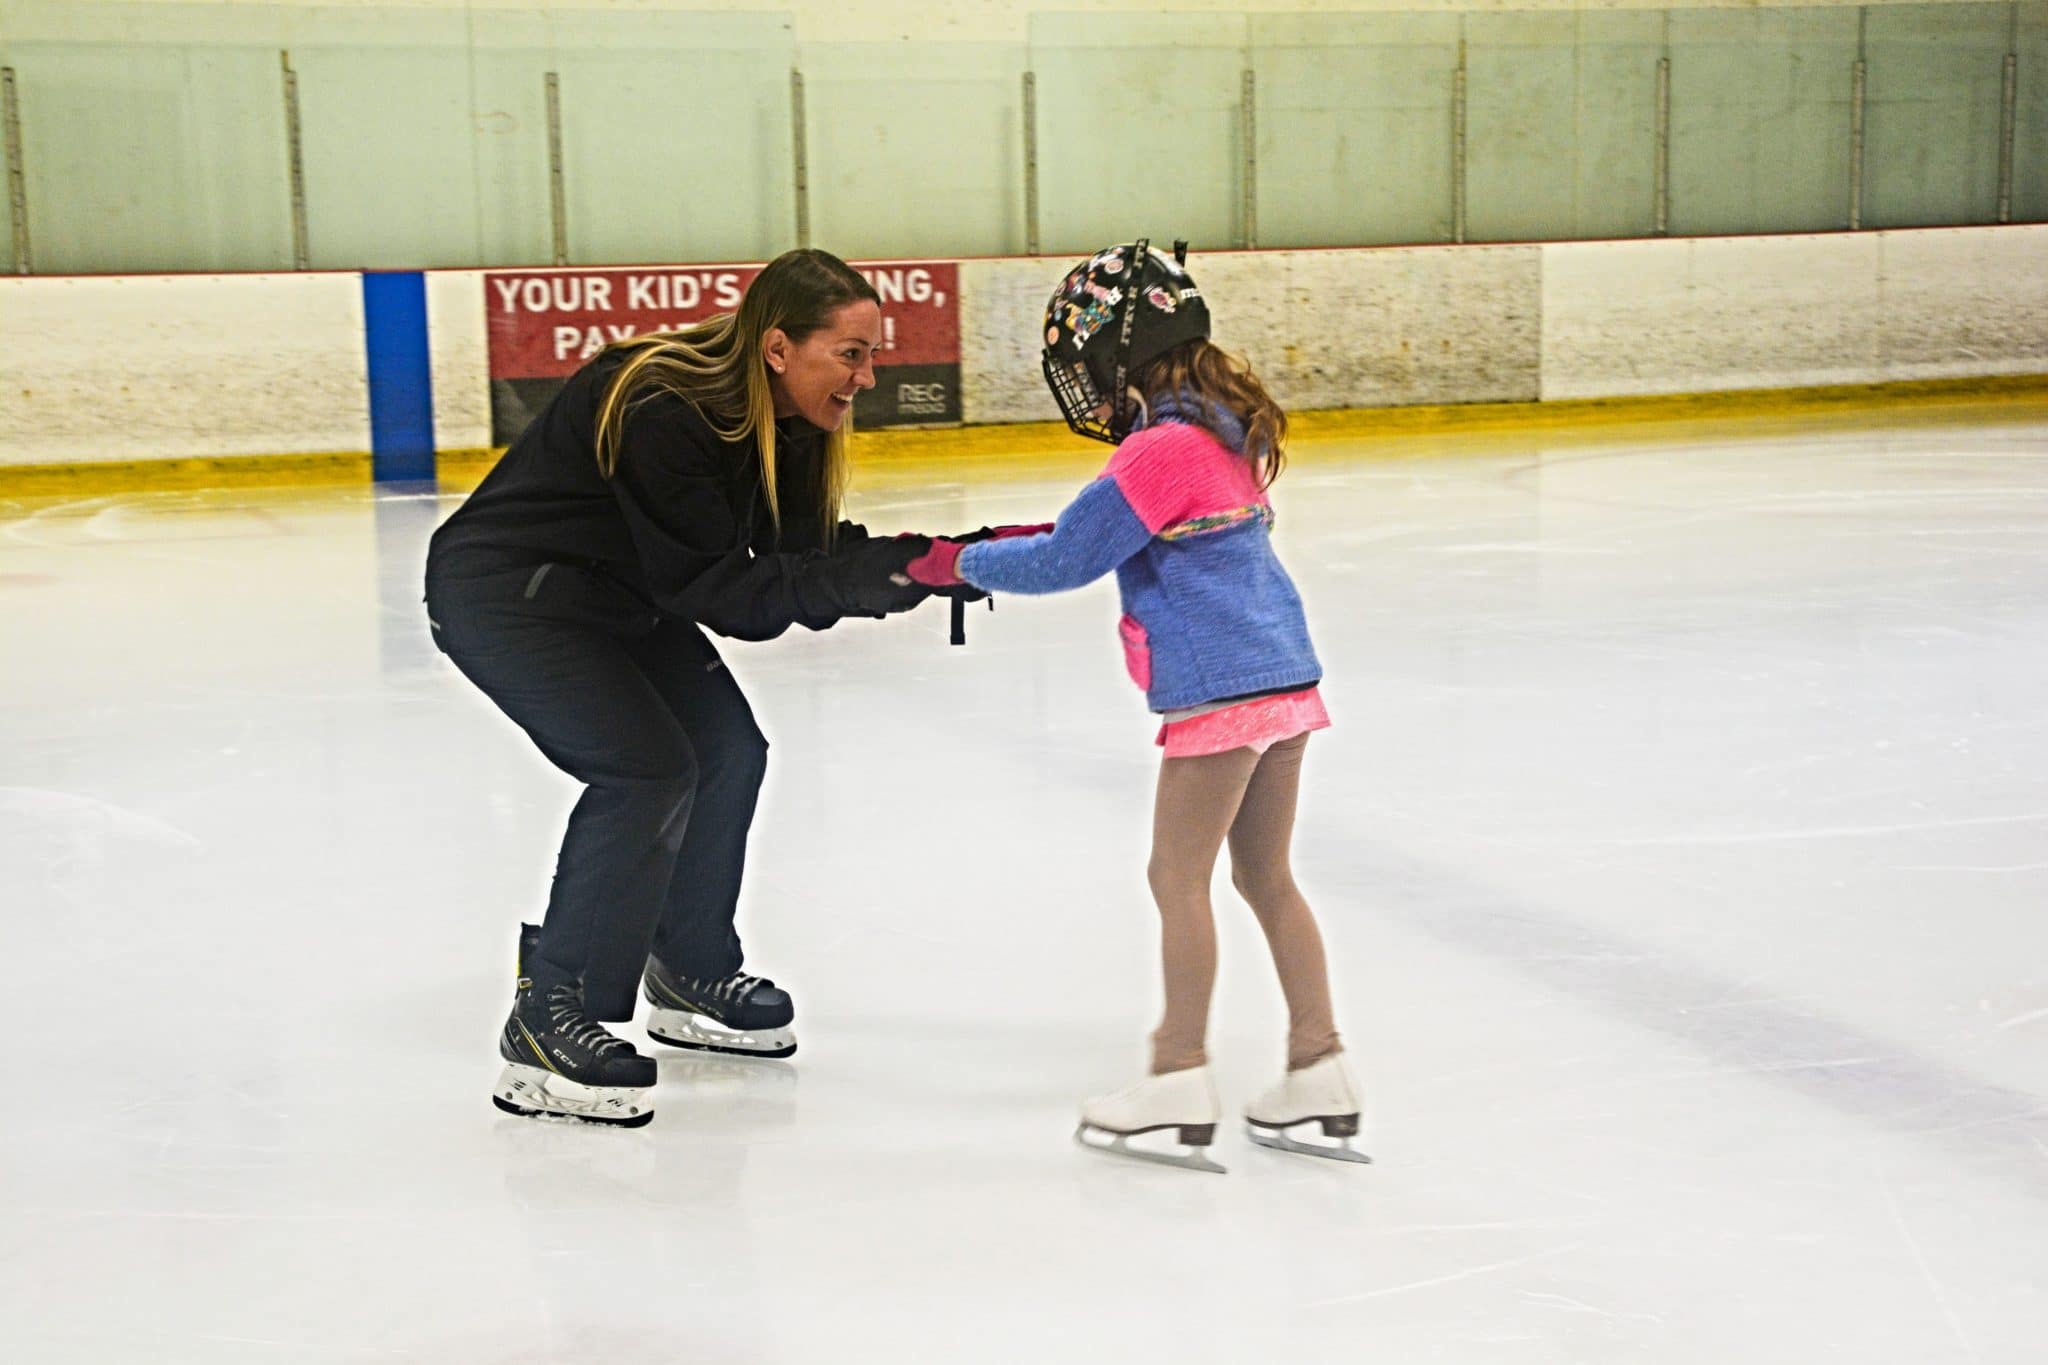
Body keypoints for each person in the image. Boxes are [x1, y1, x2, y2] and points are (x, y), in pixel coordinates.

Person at [427, 248, 960, 1127]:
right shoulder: (661, 405)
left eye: (874, 354)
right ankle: (551, 1011)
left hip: (615, 593)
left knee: (727, 749)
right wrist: (876, 582)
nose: (869, 376)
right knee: (645, 768)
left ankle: (691, 963)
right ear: (780, 347)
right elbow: (723, 592)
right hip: (509, 595)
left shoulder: (787, 426)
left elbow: (796, 558)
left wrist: (926, 561)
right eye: (852, 353)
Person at [905, 240, 1367, 1171]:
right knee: (1265, 877)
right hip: (1284, 679)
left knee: (1177, 875)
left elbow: (1068, 558)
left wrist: (951, 561)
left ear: (1121, 355)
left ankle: (1176, 1074)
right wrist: (995, 542)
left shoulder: (1160, 449)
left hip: (1222, 692)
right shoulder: (1219, 431)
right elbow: (1093, 531)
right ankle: (1319, 1064)